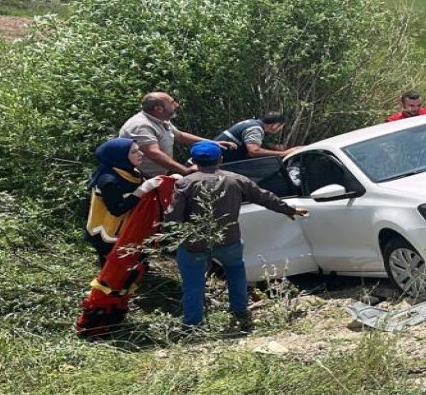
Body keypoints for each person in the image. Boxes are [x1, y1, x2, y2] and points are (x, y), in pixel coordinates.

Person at [167, 142, 309, 331]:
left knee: (193, 283)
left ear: (193, 161)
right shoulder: (235, 179)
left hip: (194, 243)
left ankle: (193, 325)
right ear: (221, 160)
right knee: (235, 273)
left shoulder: (185, 183)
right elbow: (264, 196)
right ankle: (240, 311)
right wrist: (289, 210)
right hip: (229, 239)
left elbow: (172, 216)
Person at [83, 137, 167, 265]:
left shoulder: (129, 170)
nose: (141, 154)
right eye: (134, 152)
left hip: (126, 227)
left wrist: (170, 180)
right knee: (113, 266)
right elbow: (117, 210)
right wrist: (141, 191)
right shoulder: (108, 180)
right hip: (107, 233)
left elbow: (148, 182)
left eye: (139, 150)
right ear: (120, 156)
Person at [119, 92, 234, 177]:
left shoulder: (161, 119)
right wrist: (185, 170)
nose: (177, 105)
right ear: (158, 109)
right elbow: (154, 152)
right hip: (142, 178)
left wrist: (213, 143)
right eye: (172, 103)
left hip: (160, 175)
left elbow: (180, 136)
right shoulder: (141, 125)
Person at [216, 112, 298, 162]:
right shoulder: (255, 129)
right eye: (281, 127)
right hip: (221, 162)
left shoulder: (252, 123)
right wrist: (283, 153)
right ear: (275, 125)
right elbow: (253, 151)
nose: (280, 129)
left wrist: (272, 146)